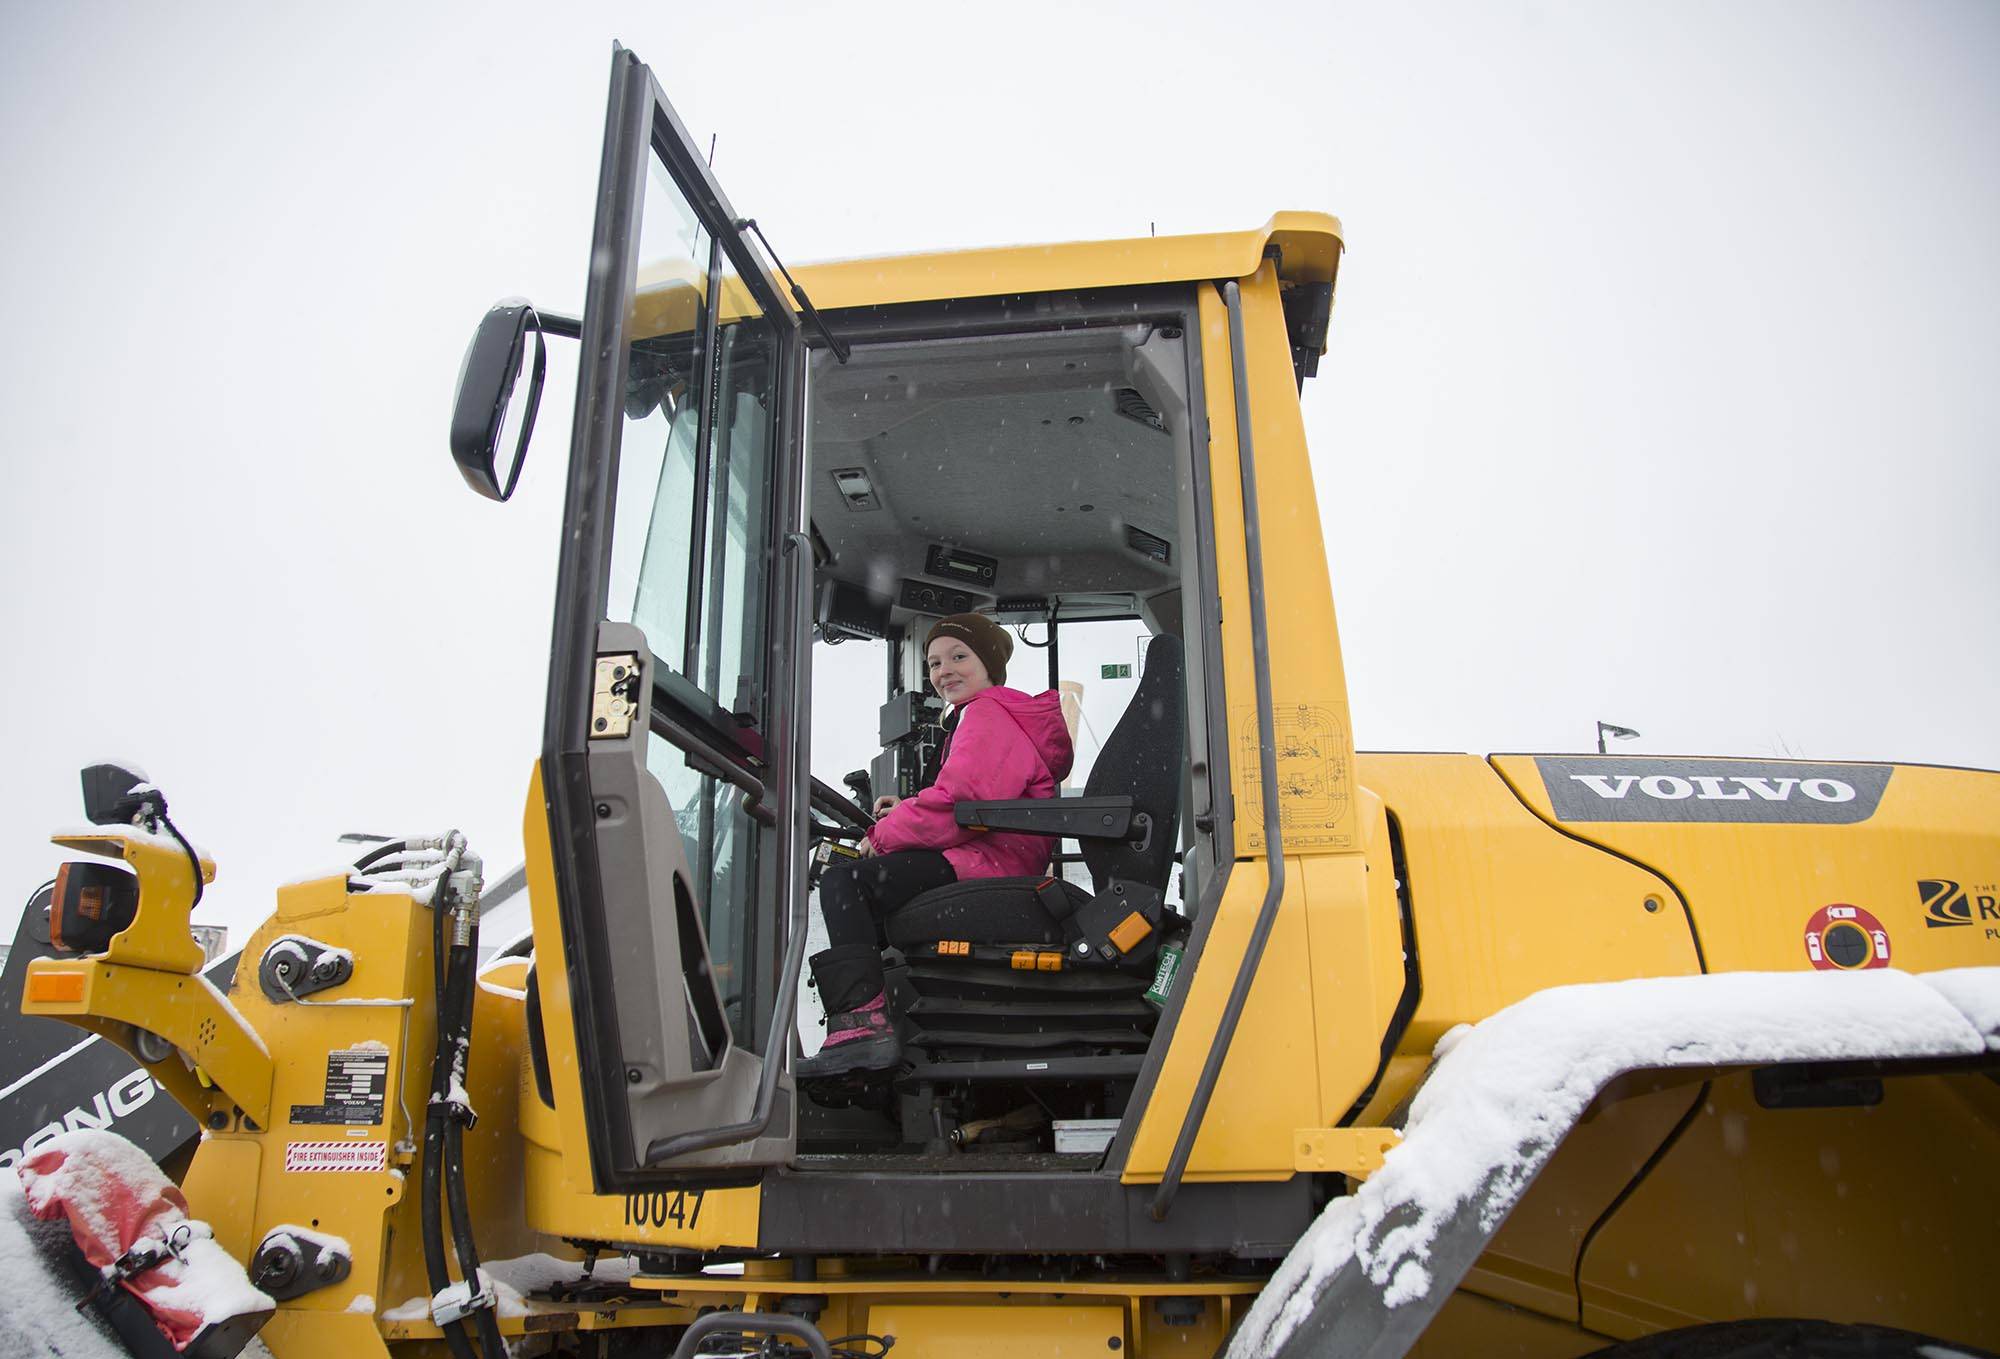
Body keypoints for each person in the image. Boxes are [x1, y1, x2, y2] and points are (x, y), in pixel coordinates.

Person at [802, 612, 1074, 1075]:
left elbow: (961, 803)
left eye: (958, 656)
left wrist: (882, 835)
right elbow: (965, 795)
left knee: (846, 884)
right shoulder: (992, 716)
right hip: (992, 858)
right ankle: (883, 1016)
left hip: (989, 865)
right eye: (933, 663)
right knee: (870, 889)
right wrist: (906, 809)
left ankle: (862, 1026)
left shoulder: (987, 713)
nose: (943, 670)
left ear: (988, 665)